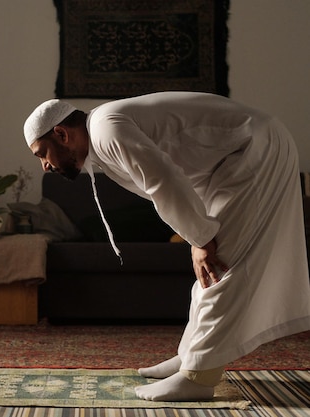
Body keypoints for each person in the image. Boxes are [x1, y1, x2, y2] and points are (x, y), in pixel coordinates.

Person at [23, 92, 310, 402]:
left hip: (255, 150)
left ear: (62, 134)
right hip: (235, 159)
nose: (44, 166)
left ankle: (198, 377)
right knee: (211, 267)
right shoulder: (102, 133)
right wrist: (196, 235)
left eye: (41, 154)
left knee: (221, 265)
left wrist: (199, 238)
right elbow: (178, 174)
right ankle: (192, 357)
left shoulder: (106, 129)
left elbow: (164, 181)